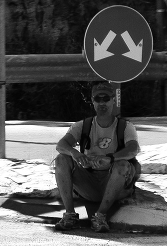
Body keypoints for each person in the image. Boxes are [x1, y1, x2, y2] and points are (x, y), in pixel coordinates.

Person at [54, 81, 141, 232]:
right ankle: (70, 214)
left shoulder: (126, 127)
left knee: (122, 165)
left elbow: (133, 149)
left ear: (113, 100)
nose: (102, 103)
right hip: (88, 182)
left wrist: (110, 159)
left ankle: (100, 216)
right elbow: (61, 145)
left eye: (106, 98)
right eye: (97, 99)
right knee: (61, 159)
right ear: (92, 101)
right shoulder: (82, 125)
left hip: (116, 184)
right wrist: (75, 153)